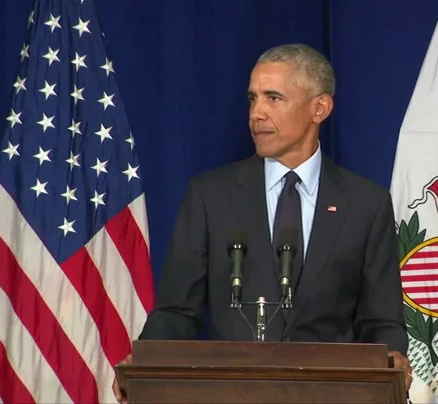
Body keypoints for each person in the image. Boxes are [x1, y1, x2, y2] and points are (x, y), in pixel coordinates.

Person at [113, 43, 411, 403]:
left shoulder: (366, 204)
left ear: (320, 107)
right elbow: (177, 311)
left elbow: (382, 322)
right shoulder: (211, 195)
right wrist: (145, 362)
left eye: (273, 98)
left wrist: (393, 358)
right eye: (253, 99)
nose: (257, 113)